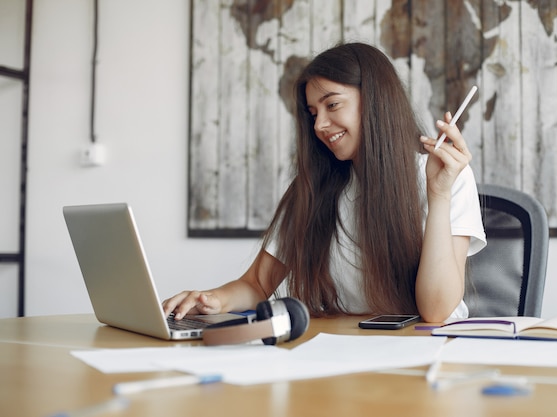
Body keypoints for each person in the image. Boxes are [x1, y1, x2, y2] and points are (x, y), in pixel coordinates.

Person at [163, 42, 486, 323]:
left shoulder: (446, 177)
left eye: (332, 105)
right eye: (312, 112)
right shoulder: (315, 188)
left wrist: (438, 194)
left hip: (430, 357)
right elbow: (257, 285)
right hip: (347, 351)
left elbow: (436, 312)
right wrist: (212, 300)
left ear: (375, 100)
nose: (319, 124)